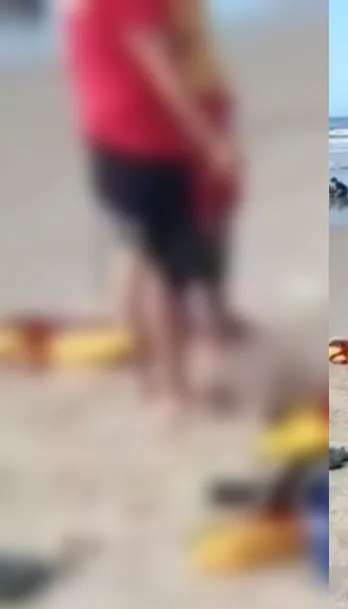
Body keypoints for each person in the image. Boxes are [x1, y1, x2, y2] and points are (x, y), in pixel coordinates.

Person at [65, 0, 236, 417]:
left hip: (112, 138)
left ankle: (146, 371)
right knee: (165, 272)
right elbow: (160, 67)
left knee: (136, 252)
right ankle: (173, 391)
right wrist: (208, 138)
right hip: (147, 141)